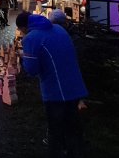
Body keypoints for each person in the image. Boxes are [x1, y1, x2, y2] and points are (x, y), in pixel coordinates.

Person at [20, 12, 88, 158]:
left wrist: (24, 57)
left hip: (55, 90)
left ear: (24, 27)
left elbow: (31, 70)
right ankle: (75, 151)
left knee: (55, 129)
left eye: (21, 29)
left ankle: (57, 152)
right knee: (73, 127)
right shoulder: (59, 29)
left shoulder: (31, 38)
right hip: (74, 86)